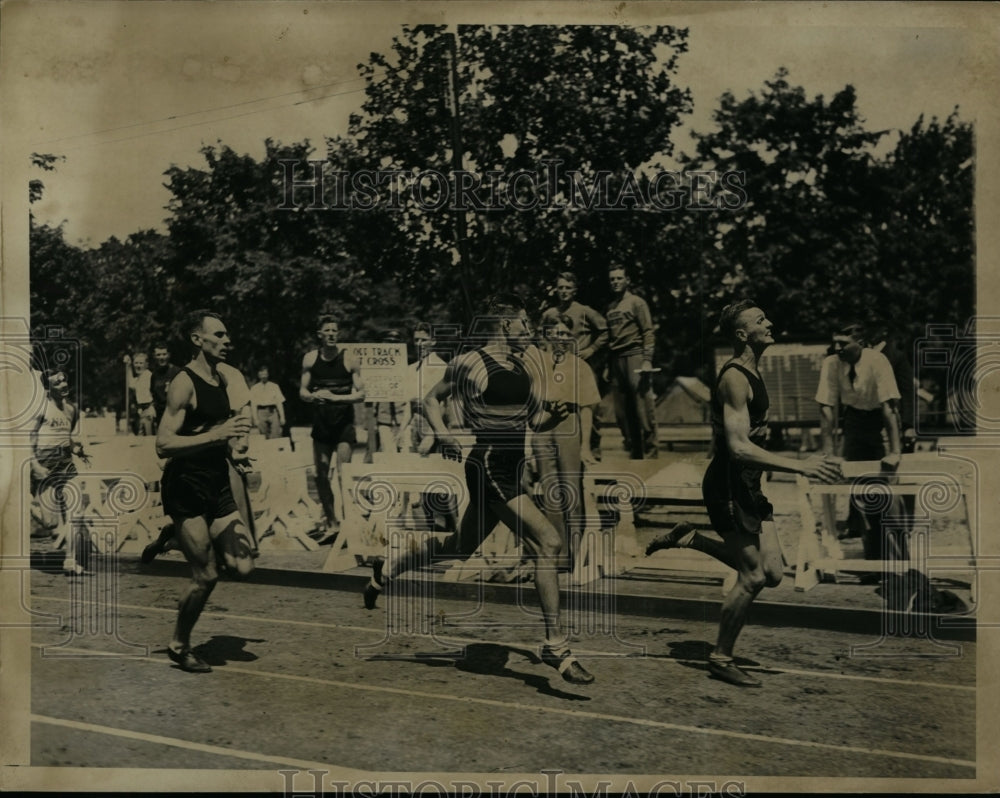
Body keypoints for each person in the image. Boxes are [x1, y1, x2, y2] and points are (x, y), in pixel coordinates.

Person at [365, 294, 594, 685]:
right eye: (524, 323)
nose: (529, 330)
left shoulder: (523, 366)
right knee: (549, 542)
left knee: (459, 547)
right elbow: (430, 400)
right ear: (506, 325)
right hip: (487, 466)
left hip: (511, 468)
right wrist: (442, 435)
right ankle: (556, 645)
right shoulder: (470, 363)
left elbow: (534, 422)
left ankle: (388, 568)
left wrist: (550, 415)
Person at [646, 301, 841, 687]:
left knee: (772, 574)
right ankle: (721, 657)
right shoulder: (734, 377)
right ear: (741, 335)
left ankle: (691, 537)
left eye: (766, 317)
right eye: (759, 321)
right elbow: (737, 447)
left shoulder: (754, 371)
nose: (769, 324)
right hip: (728, 487)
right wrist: (800, 464)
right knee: (751, 577)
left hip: (749, 485)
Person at [154, 310, 255, 673]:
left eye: (228, 335)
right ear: (198, 339)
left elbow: (218, 429)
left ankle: (174, 538)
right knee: (207, 576)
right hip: (186, 487)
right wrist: (217, 436)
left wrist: (234, 453)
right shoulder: (183, 382)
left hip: (217, 481)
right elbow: (163, 444)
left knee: (243, 567)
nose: (228, 341)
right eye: (220, 335)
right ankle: (179, 645)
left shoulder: (223, 380)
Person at [815, 323, 903, 560]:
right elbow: (826, 408)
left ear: (860, 344)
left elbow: (889, 407)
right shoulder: (831, 363)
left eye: (843, 343)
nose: (837, 348)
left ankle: (900, 562)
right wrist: (829, 453)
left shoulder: (878, 361)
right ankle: (873, 560)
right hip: (854, 422)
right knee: (863, 492)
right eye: (835, 342)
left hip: (880, 422)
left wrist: (894, 451)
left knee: (889, 492)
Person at [533, 314, 601, 571]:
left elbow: (587, 409)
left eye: (565, 334)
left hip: (569, 424)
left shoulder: (580, 366)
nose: (561, 339)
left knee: (571, 488)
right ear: (547, 335)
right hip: (542, 426)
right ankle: (557, 554)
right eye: (556, 333)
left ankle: (576, 553)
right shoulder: (537, 363)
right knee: (550, 490)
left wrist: (584, 446)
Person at [300, 316, 365, 538]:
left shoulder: (350, 359)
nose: (331, 334)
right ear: (319, 334)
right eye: (326, 330)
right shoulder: (310, 359)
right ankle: (332, 523)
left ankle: (349, 524)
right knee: (320, 474)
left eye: (334, 330)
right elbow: (302, 391)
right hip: (322, 424)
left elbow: (362, 394)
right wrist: (313, 397)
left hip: (343, 423)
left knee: (343, 474)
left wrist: (335, 398)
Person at [541, 272, 609, 458]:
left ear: (575, 290)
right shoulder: (550, 313)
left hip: (581, 366)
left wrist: (591, 349)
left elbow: (605, 331)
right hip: (556, 366)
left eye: (568, 288)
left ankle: (591, 450)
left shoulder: (584, 311)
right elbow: (542, 336)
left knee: (588, 408)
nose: (564, 291)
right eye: (561, 287)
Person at [30, 369, 90, 576]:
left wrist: (76, 449)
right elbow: (27, 442)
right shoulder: (40, 409)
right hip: (46, 467)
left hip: (66, 466)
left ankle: (70, 560)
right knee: (51, 523)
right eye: (57, 383)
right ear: (48, 388)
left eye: (64, 380)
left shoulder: (72, 410)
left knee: (77, 513)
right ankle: (29, 507)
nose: (64, 385)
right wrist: (35, 467)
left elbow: (67, 436)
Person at [606, 266, 658, 459]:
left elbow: (648, 331)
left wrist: (647, 360)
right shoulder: (610, 307)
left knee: (643, 410)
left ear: (627, 280)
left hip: (635, 355)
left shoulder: (637, 302)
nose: (615, 282)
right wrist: (608, 366)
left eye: (619, 278)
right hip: (616, 359)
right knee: (621, 414)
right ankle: (635, 455)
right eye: (612, 279)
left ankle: (652, 455)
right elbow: (611, 339)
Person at [150, 344, 182, 431]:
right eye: (158, 355)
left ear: (169, 355)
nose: (161, 357)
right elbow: (153, 394)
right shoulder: (154, 375)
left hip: (175, 413)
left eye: (164, 354)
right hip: (160, 414)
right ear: (154, 356)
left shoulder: (177, 372)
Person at [249, 365, 286, 439]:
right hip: (261, 412)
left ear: (268, 374)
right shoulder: (254, 388)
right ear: (258, 375)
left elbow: (279, 403)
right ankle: (267, 450)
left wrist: (282, 417)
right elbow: (253, 405)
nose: (263, 376)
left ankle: (274, 450)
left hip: (273, 412)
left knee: (276, 434)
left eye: (265, 374)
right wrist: (255, 419)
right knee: (263, 435)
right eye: (261, 374)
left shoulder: (274, 386)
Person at [129, 352, 155, 436]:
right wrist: (128, 366)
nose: (138, 365)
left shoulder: (148, 376)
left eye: (141, 363)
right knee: (142, 437)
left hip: (149, 410)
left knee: (149, 437)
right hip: (141, 410)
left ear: (146, 364)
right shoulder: (138, 378)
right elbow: (131, 384)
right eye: (136, 363)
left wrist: (152, 408)